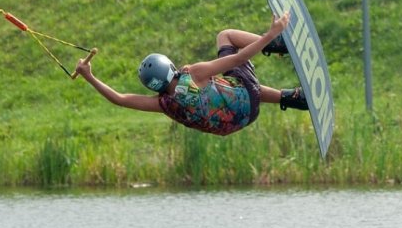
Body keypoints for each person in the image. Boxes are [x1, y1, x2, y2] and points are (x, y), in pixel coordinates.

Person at [74, 11, 308, 136]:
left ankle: (292, 99)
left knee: (231, 85)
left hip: (239, 121)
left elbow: (120, 99)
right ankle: (279, 45)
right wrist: (270, 33)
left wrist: (89, 76)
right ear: (169, 66)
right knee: (225, 36)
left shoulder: (163, 103)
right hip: (246, 98)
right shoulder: (194, 73)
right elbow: (238, 58)